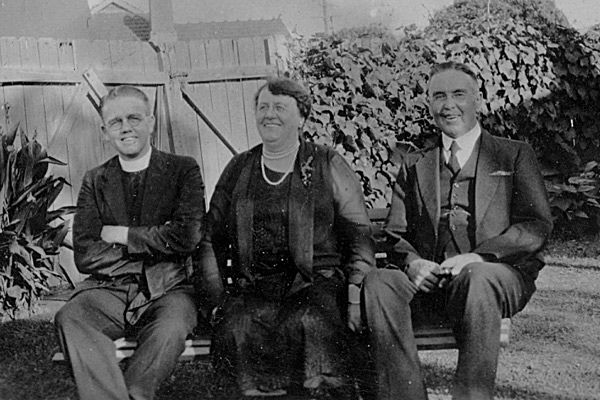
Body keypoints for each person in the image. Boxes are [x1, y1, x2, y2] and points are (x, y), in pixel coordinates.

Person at [363, 61, 553, 400]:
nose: (448, 105)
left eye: (458, 94)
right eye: (439, 96)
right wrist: (412, 264)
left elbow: (536, 225)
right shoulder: (415, 163)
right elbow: (395, 235)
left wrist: (478, 256)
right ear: (429, 105)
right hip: (431, 283)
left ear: (476, 100)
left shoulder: (513, 155)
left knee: (477, 276)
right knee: (379, 281)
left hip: (494, 277)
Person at [197, 76, 375, 398]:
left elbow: (358, 234)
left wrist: (354, 292)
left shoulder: (326, 163)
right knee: (237, 329)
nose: (269, 114)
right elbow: (210, 238)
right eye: (263, 107)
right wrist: (216, 298)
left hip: (315, 284)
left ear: (302, 116)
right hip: (254, 286)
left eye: (280, 107)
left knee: (309, 323)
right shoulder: (239, 168)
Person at [54, 85, 206, 400]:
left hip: (169, 289)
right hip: (110, 290)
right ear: (104, 131)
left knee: (170, 327)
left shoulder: (182, 170)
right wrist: (158, 240)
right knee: (72, 316)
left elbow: (187, 236)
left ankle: (138, 393)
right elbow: (85, 253)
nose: (126, 128)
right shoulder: (96, 179)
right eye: (115, 122)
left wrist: (121, 235)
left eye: (134, 118)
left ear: (150, 122)